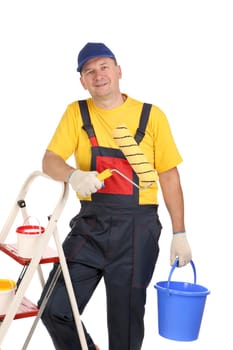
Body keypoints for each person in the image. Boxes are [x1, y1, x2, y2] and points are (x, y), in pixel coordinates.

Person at [38, 42, 192, 350]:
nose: (98, 75)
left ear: (118, 71)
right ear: (82, 80)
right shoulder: (76, 113)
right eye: (89, 71)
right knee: (54, 308)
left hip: (137, 232)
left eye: (104, 67)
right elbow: (49, 160)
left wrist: (180, 232)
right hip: (90, 228)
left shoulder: (151, 116)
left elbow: (169, 175)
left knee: (125, 325)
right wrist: (73, 175)